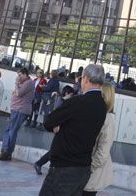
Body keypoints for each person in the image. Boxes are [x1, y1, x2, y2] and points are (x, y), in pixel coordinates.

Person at [39, 63, 108, 196]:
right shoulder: (102, 105)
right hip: (83, 167)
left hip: (64, 166)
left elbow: (48, 121)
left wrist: (59, 125)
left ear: (86, 78)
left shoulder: (77, 102)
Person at [82, 82, 116, 196]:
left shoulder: (108, 118)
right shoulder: (95, 113)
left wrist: (89, 167)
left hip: (91, 172)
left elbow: (103, 150)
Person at [0, 67, 35, 161]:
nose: (18, 77)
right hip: (16, 108)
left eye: (20, 75)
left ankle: (7, 151)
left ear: (25, 74)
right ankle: (6, 151)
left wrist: (16, 83)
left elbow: (18, 94)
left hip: (20, 109)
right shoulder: (23, 83)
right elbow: (16, 92)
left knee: (12, 130)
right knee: (9, 129)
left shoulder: (28, 83)